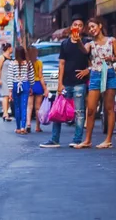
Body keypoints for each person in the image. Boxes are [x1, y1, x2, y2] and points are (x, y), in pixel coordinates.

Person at [41, 17, 91, 148]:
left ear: (83, 28)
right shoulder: (64, 44)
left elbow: (89, 58)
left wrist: (88, 70)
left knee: (79, 112)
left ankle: (77, 139)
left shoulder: (86, 42)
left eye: (80, 25)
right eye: (75, 25)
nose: (78, 27)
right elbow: (61, 64)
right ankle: (54, 139)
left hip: (80, 83)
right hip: (66, 83)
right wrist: (59, 83)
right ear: (71, 27)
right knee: (58, 111)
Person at [75, 17, 116, 149]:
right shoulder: (90, 44)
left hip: (110, 73)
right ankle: (87, 139)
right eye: (89, 28)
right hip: (95, 74)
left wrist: (111, 58)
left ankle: (108, 140)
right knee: (90, 109)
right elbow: (84, 51)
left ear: (100, 26)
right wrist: (78, 40)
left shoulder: (112, 41)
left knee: (109, 108)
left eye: (93, 26)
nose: (91, 30)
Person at [9, 46, 34, 134]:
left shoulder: (12, 63)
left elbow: (10, 77)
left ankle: (18, 127)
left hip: (16, 85)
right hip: (25, 85)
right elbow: (31, 76)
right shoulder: (28, 63)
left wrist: (10, 91)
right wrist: (31, 86)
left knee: (17, 107)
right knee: (24, 106)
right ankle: (23, 127)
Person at [27, 46, 46, 133]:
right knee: (38, 108)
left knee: (29, 107)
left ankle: (28, 124)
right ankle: (37, 126)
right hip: (38, 84)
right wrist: (45, 88)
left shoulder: (26, 63)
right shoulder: (39, 62)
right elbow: (41, 76)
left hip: (29, 84)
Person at [0, 43, 14, 121]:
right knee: (5, 96)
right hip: (3, 79)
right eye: (11, 48)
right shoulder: (2, 57)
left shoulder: (11, 58)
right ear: (9, 48)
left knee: (9, 96)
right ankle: (5, 113)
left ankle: (6, 112)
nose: (12, 49)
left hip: (10, 78)